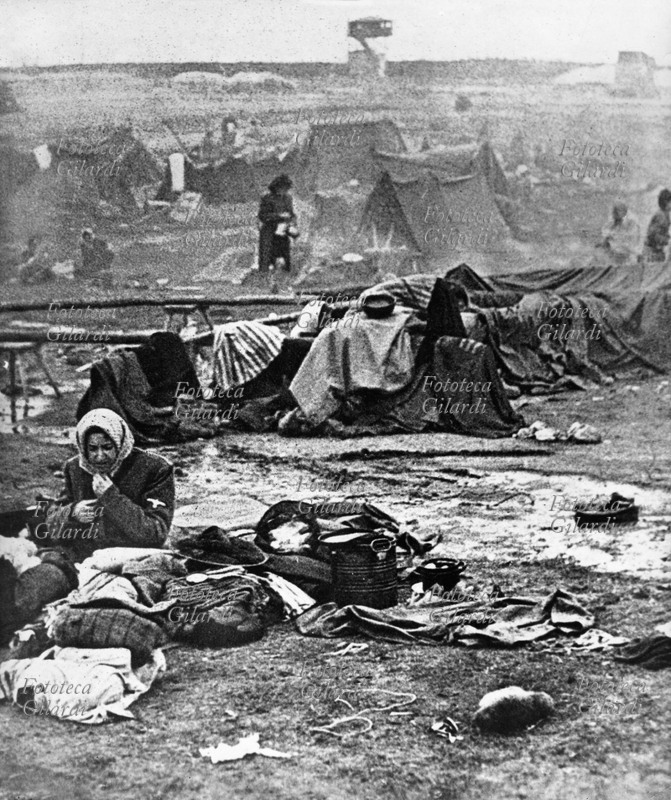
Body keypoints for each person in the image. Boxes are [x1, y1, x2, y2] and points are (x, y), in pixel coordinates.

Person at [42, 408, 175, 561]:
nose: (99, 457)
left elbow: (155, 533)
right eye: (92, 449)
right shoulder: (75, 468)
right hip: (82, 556)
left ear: (119, 443)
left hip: (132, 558)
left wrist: (110, 496)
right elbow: (51, 524)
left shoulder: (155, 469)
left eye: (107, 447)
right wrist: (72, 512)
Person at [257, 174, 298, 273]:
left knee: (285, 253)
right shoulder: (267, 198)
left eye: (286, 188)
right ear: (276, 187)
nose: (284, 191)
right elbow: (262, 216)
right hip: (269, 229)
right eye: (282, 188)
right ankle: (264, 275)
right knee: (266, 255)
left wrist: (292, 222)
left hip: (283, 229)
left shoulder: (288, 198)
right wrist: (279, 216)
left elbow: (291, 213)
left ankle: (285, 273)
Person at [643, 189, 671, 262]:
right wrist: (666, 240)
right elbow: (652, 234)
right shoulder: (660, 215)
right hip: (652, 251)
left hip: (658, 250)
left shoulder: (666, 214)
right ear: (666, 202)